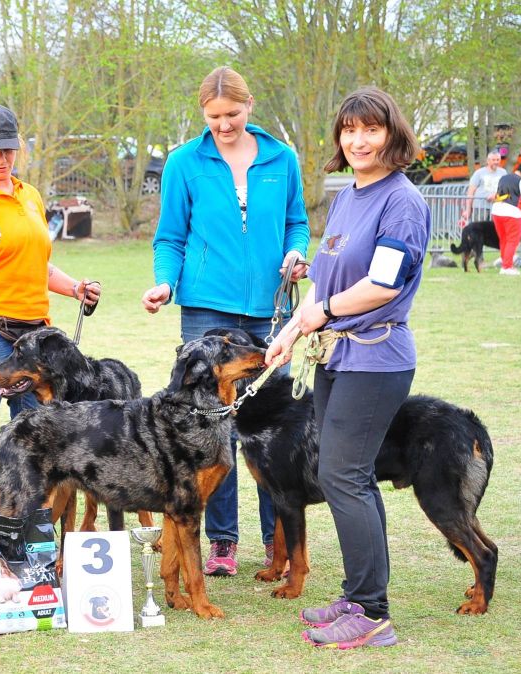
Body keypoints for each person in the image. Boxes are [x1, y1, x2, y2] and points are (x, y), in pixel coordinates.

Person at [265, 86, 430, 649]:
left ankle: (374, 613)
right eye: (349, 130)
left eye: (372, 130)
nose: (359, 141)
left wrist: (324, 312)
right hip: (334, 355)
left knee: (342, 476)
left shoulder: (402, 201)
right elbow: (323, 282)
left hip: (376, 359)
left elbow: (382, 285)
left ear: (392, 134)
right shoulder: (346, 196)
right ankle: (360, 595)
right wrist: (290, 331)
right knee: (346, 478)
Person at [141, 66, 310, 576]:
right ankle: (221, 543)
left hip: (269, 310)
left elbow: (295, 221)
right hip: (205, 310)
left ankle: (276, 541)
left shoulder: (283, 158)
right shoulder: (183, 162)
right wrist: (166, 284)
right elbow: (170, 235)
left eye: (232, 115)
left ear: (249, 106)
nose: (223, 125)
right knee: (210, 431)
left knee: (269, 429)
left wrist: (297, 252)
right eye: (214, 117)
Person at [0, 103, 100, 518]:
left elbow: (35, 263)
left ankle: (29, 523)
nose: (2, 159)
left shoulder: (30, 196)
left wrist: (75, 287)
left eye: (8, 150)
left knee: (37, 432)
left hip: (33, 336)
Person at [491, 163, 521, 276]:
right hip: (513, 212)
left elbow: (496, 194)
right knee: (512, 241)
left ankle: (505, 261)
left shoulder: (503, 178)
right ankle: (507, 267)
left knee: (503, 239)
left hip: (496, 210)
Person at [459, 151, 506, 227]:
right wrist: (468, 209)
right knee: (478, 230)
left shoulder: (503, 173)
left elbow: (505, 189)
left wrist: (496, 195)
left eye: (498, 160)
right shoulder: (479, 173)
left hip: (496, 207)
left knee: (494, 230)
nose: (496, 162)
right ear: (488, 161)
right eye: (493, 160)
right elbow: (470, 192)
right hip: (480, 207)